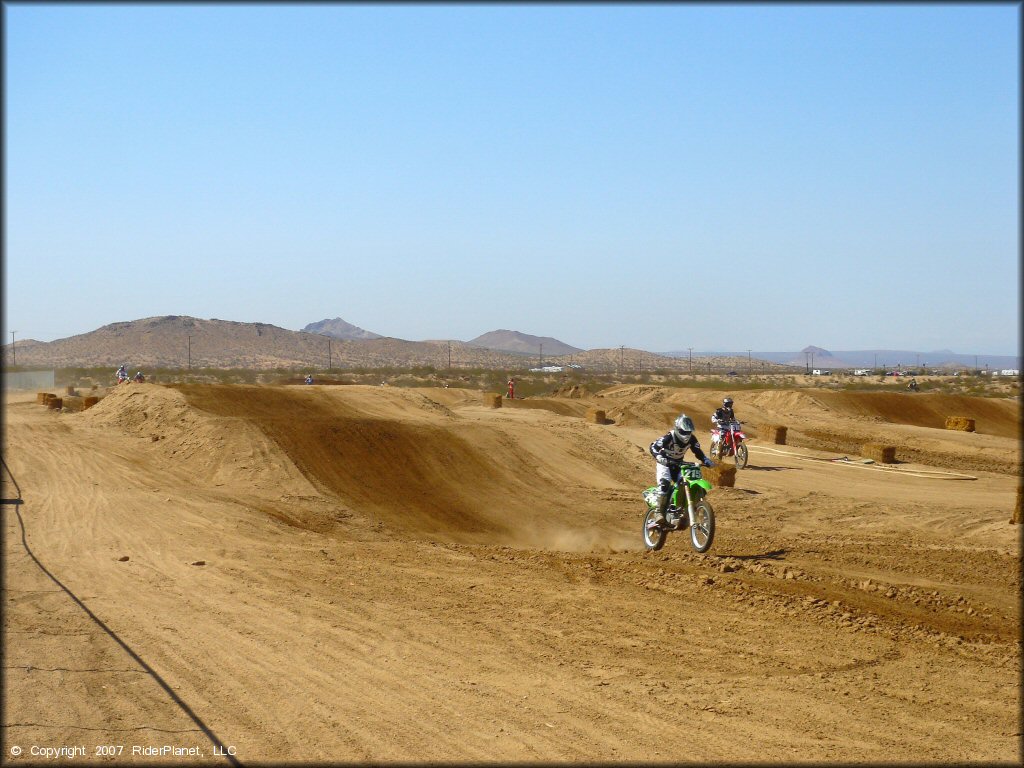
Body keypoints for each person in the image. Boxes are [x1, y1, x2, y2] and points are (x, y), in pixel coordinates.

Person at [649, 414, 713, 525]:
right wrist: (659, 457)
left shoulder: (692, 439)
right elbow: (653, 446)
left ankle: (681, 510)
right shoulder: (669, 437)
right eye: (684, 432)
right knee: (665, 484)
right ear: (678, 429)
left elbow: (698, 452)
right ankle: (658, 512)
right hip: (665, 464)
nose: (687, 435)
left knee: (685, 483)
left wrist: (705, 460)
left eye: (689, 432)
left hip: (679, 465)